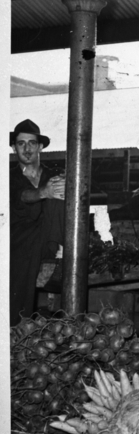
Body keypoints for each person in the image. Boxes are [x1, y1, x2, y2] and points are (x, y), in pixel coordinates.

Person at [9, 119, 66, 326]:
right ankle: (17, 324)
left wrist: (62, 186)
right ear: (14, 147)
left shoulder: (51, 175)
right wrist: (43, 192)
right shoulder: (8, 177)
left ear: (40, 146)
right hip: (21, 241)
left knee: (60, 187)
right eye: (21, 143)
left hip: (51, 238)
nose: (26, 148)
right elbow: (21, 196)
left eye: (31, 143)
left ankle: (58, 253)